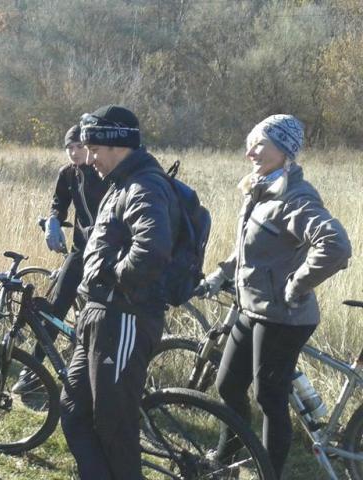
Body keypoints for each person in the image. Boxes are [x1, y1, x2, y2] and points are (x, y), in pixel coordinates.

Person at [201, 114, 351, 478]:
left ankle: (268, 472)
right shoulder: (260, 189)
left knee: (270, 398)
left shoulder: (294, 197)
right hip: (251, 307)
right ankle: (229, 458)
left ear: (285, 152)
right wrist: (221, 274)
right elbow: (250, 251)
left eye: (261, 144)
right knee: (228, 384)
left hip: (284, 317)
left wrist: (296, 285)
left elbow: (335, 245)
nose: (251, 151)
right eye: (251, 142)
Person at [59, 105, 179, 479]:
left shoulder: (144, 185)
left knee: (114, 427)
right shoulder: (121, 183)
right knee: (75, 411)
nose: (89, 158)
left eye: (95, 149)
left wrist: (112, 279)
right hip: (101, 316)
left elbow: (152, 249)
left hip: (124, 317)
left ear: (117, 146)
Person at [12, 123, 108, 394]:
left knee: (100, 319)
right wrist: (53, 221)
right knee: (55, 307)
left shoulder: (106, 173)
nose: (75, 153)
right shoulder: (67, 174)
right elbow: (59, 203)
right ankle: (33, 370)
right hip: (80, 252)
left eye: (79, 147)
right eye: (69, 148)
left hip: (106, 255)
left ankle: (94, 380)